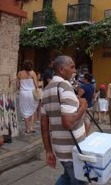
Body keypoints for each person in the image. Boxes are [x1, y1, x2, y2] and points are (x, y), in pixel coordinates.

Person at [40, 56, 88, 185]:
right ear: (61, 69)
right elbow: (68, 123)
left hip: (61, 149)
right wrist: (83, 106)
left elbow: (44, 125)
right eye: (72, 67)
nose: (75, 71)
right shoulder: (65, 87)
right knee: (79, 181)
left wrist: (49, 150)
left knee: (67, 178)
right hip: (73, 150)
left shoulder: (46, 90)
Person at [17, 60, 39, 134]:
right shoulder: (33, 73)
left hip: (23, 94)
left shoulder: (19, 73)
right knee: (33, 110)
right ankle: (32, 127)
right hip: (31, 93)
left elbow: (18, 85)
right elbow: (36, 86)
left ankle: (27, 129)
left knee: (25, 111)